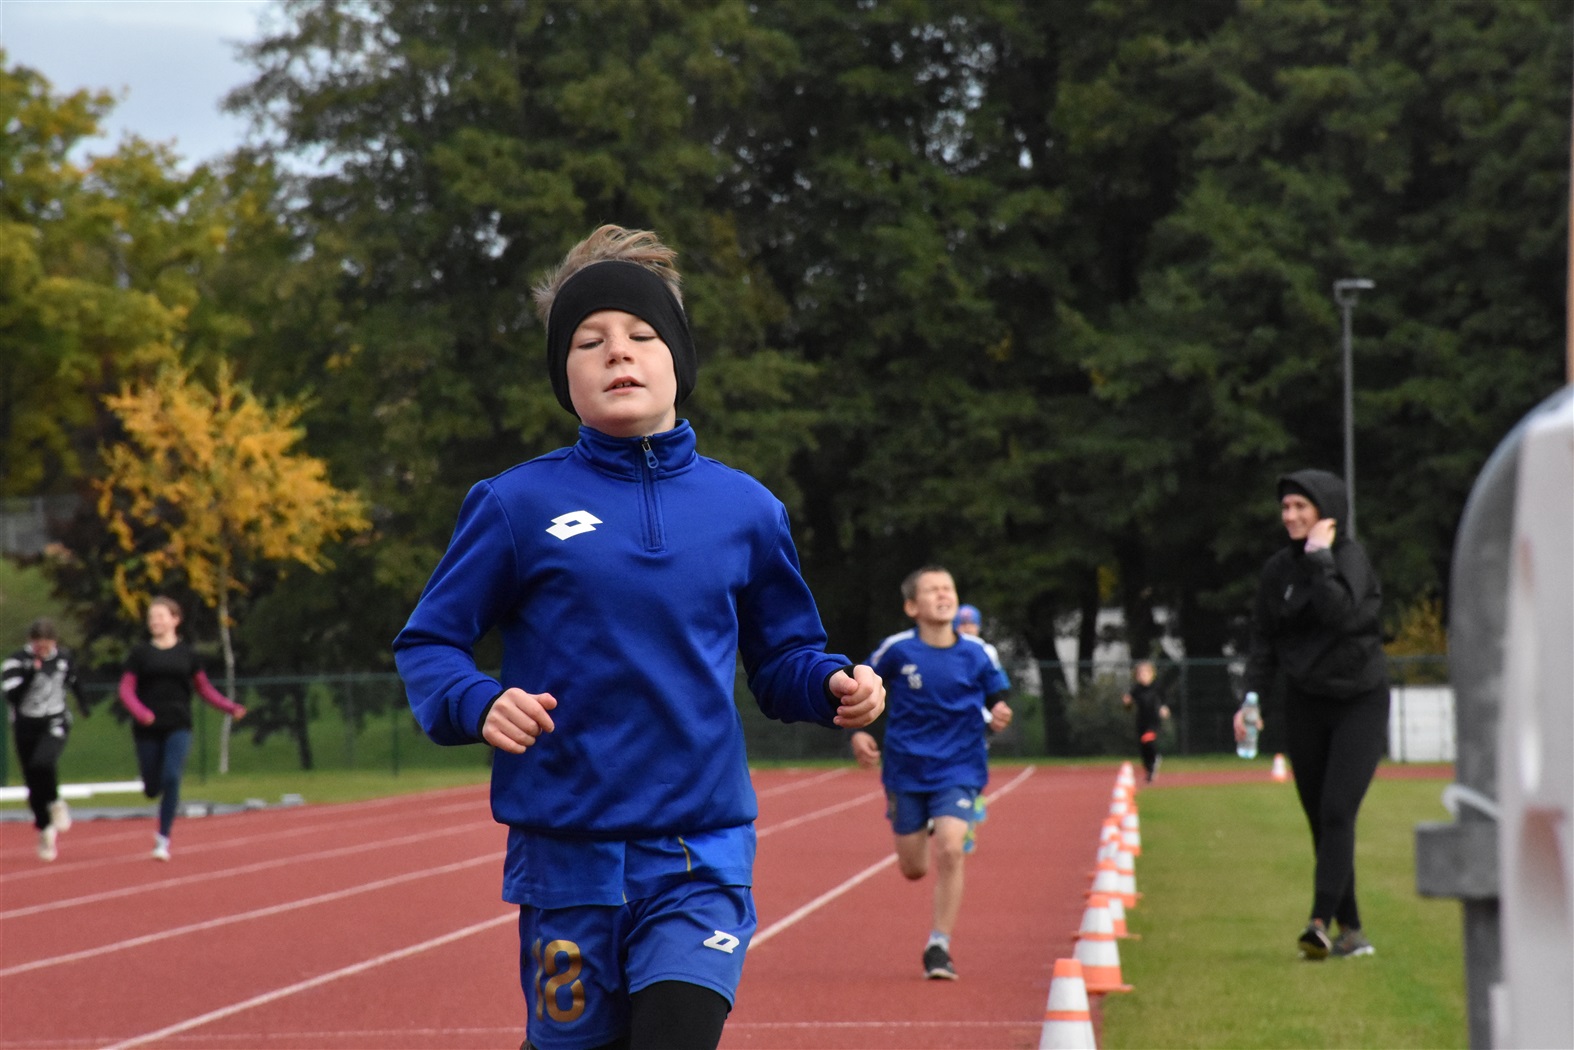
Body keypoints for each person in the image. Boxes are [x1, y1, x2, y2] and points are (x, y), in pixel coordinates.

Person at [393, 224, 884, 1050]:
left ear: (678, 359)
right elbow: (429, 644)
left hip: (700, 851)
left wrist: (834, 683)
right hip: (566, 857)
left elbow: (783, 659)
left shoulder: (746, 509)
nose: (617, 352)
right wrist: (478, 701)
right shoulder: (515, 505)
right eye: (589, 342)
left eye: (642, 335)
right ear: (565, 377)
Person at [1235, 469, 1388, 961]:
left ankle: (1318, 923)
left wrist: (1320, 558)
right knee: (1321, 821)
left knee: (1338, 810)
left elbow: (1340, 615)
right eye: (1285, 507)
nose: (1290, 515)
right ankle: (1353, 931)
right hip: (1304, 702)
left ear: (1327, 511)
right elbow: (1264, 640)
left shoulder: (1350, 559)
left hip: (1359, 700)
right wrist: (1251, 700)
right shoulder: (1277, 571)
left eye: (1301, 506)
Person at [850, 566, 1012, 980]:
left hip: (960, 765)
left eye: (948, 588)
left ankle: (938, 946)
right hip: (906, 768)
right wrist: (859, 731)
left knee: (952, 849)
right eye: (932, 590)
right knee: (914, 869)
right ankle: (928, 821)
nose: (943, 595)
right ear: (912, 606)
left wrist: (999, 712)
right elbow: (860, 687)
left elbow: (997, 697)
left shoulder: (978, 652)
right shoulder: (897, 650)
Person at [118, 596, 247, 861]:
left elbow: (204, 689)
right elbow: (126, 689)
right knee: (152, 788)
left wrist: (230, 707)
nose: (155, 621)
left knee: (172, 776)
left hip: (178, 725)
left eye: (160, 616)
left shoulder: (188, 654)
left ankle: (163, 839)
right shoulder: (140, 654)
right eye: (151, 617)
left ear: (175, 620)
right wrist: (141, 713)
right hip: (147, 728)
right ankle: (153, 791)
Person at [3, 618, 88, 862]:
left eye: (47, 645)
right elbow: (12, 696)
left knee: (44, 762)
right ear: (31, 642)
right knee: (32, 781)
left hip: (54, 720)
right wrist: (31, 674)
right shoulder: (16, 661)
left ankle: (55, 802)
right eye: (38, 645)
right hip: (25, 724)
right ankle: (44, 828)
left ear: (54, 642)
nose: (43, 650)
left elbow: (74, 680)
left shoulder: (63, 658)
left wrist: (83, 704)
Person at [1122, 660, 1170, 783]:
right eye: (1140, 674)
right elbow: (1128, 707)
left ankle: (1155, 757)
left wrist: (1164, 708)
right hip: (1141, 720)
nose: (1142, 676)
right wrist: (1127, 703)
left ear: (1151, 674)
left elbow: (1164, 699)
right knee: (1143, 747)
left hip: (1153, 720)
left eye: (1145, 673)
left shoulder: (1157, 687)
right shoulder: (1136, 689)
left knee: (1149, 740)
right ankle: (1150, 770)